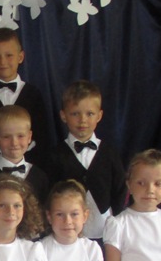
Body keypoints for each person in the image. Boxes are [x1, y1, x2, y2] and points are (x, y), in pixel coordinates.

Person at [45, 80, 126, 241]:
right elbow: (50, 194)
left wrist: (117, 219)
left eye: (89, 114)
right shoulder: (55, 156)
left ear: (99, 116)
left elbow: (120, 189)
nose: (83, 120)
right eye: (75, 114)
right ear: (63, 116)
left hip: (105, 229)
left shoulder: (109, 152)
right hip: (67, 232)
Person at [0, 28, 51, 168]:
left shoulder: (33, 94)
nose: (2, 62)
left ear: (20, 57)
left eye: (9, 55)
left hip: (27, 168)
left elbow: (42, 138)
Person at [0, 105, 49, 206]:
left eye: (20, 136)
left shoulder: (40, 176)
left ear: (29, 137)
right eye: (6, 137)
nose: (14, 143)